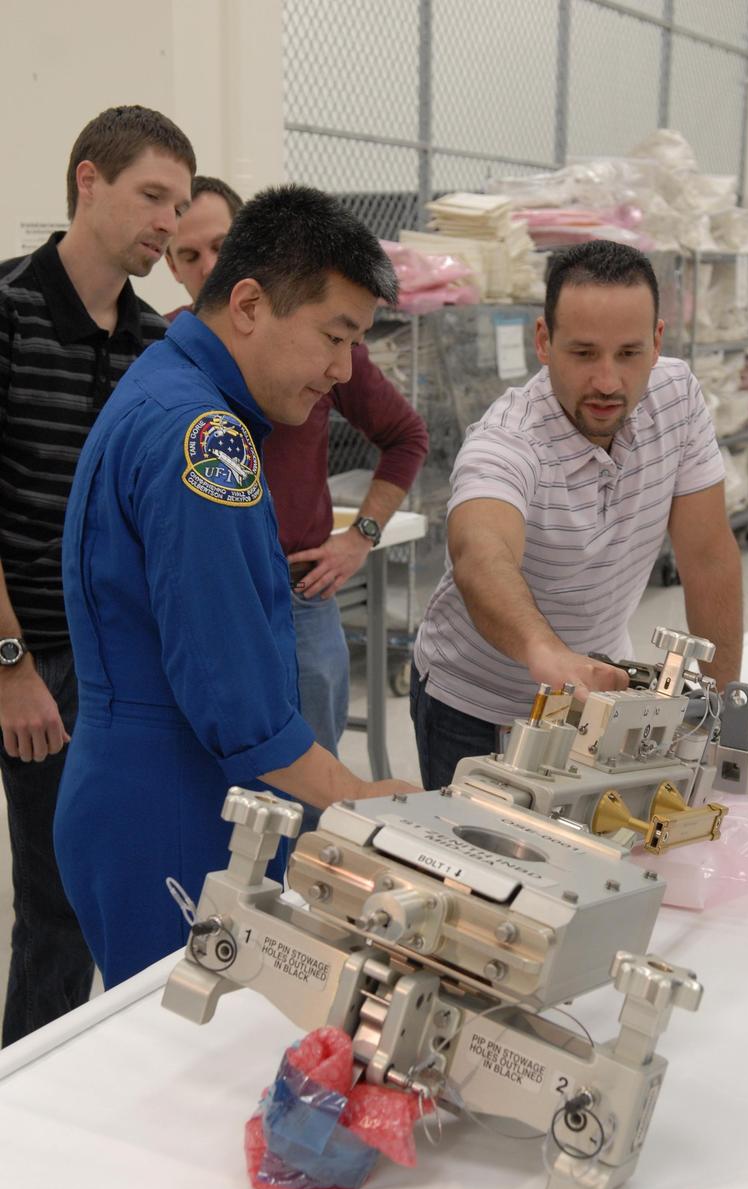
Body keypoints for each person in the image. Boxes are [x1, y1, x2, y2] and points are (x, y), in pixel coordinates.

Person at [55, 185, 419, 990]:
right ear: (249, 304)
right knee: (192, 1064)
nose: (342, 370)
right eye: (335, 336)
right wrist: (361, 801)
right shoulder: (204, 438)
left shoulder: (173, 389)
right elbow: (236, 698)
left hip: (152, 783)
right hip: (174, 805)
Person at [0, 105, 195, 1045]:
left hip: (92, 667)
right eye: (152, 196)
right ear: (88, 181)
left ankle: (43, 1098)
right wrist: (11, 665)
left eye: (180, 204)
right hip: (18, 653)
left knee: (64, 902)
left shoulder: (154, 342)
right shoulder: (7, 312)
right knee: (53, 910)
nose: (168, 222)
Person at [411, 240, 743, 789]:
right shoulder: (509, 439)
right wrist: (547, 653)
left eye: (629, 353)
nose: (608, 382)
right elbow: (481, 555)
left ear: (658, 342)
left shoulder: (677, 397)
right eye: (584, 353)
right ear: (544, 341)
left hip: (598, 701)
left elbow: (708, 556)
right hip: (476, 708)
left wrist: (722, 714)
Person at [164, 176, 429, 831]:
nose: (204, 271)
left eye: (218, 250)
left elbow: (405, 436)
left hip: (300, 596)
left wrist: (360, 535)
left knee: (313, 799)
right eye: (186, 256)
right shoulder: (165, 363)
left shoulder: (322, 353)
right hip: (214, 604)